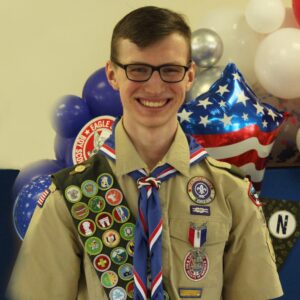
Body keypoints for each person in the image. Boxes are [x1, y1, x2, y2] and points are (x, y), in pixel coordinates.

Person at [8, 6, 283, 300]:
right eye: (138, 69)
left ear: (189, 76)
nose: (154, 86)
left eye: (170, 70)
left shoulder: (231, 192)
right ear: (112, 75)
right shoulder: (68, 196)